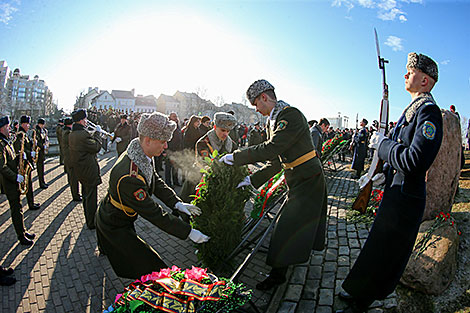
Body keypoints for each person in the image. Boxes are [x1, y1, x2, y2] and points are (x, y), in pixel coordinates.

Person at [337, 53, 443, 313]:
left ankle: (363, 302)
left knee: (387, 253)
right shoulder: (413, 110)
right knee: (377, 246)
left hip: (407, 197)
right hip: (397, 190)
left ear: (425, 81)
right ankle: (358, 291)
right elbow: (401, 153)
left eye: (412, 71)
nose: (405, 74)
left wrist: (383, 146)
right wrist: (382, 172)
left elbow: (416, 160)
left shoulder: (429, 113)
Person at [220, 79, 327, 290]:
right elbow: (275, 163)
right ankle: (284, 268)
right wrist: (252, 180)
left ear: (264, 98)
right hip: (297, 180)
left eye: (256, 105)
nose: (257, 110)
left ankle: (278, 274)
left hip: (308, 180)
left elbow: (271, 148)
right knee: (290, 227)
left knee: (285, 228)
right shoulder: (274, 120)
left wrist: (236, 156)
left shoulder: (290, 115)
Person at [95, 112, 210, 279]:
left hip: (120, 214)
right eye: (162, 142)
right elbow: (154, 213)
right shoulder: (130, 177)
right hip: (114, 222)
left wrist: (177, 204)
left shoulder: (140, 153)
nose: (165, 147)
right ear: (148, 140)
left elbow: (155, 181)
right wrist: (188, 232)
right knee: (152, 268)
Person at [179, 112, 238, 203]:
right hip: (200, 179)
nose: (226, 134)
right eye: (222, 130)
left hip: (220, 181)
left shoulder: (231, 144)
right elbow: (205, 165)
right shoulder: (203, 142)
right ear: (214, 127)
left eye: (228, 131)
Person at [0, 116, 36, 246]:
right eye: (8, 127)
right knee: (16, 208)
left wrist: (20, 157)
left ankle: (23, 230)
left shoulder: (5, 141)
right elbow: (2, 167)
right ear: (2, 128)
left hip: (14, 178)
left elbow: (11, 159)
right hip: (9, 182)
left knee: (19, 207)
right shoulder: (0, 144)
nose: (9, 129)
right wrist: (15, 177)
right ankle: (21, 236)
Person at [69, 109, 102, 229]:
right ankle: (92, 222)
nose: (86, 121)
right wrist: (97, 133)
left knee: (86, 195)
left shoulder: (72, 134)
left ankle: (88, 218)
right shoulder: (83, 134)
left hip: (81, 170)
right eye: (85, 119)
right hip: (89, 170)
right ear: (81, 120)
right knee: (91, 198)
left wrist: (91, 134)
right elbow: (96, 147)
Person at [13, 115, 40, 211]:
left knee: (29, 184)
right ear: (23, 124)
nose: (28, 126)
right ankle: (30, 204)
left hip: (25, 163)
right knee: (27, 184)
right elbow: (20, 149)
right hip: (23, 164)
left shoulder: (23, 133)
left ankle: (31, 202)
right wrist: (28, 153)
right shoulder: (20, 134)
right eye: (27, 124)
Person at [62, 117, 81, 201]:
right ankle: (75, 196)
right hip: (70, 158)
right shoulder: (67, 133)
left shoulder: (65, 131)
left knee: (72, 178)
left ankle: (75, 194)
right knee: (73, 179)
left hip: (68, 158)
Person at [165, 112, 183, 187]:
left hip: (177, 150)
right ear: (170, 117)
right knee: (168, 167)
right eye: (173, 116)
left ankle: (175, 181)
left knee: (175, 167)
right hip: (170, 150)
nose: (175, 118)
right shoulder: (168, 126)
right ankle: (168, 183)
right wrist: (165, 151)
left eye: (176, 116)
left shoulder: (178, 126)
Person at [34, 118, 48, 189]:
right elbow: (36, 142)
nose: (43, 126)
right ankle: (41, 183)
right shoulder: (36, 131)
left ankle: (43, 181)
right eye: (42, 124)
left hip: (42, 152)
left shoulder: (43, 131)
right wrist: (42, 145)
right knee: (40, 169)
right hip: (38, 152)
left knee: (42, 168)